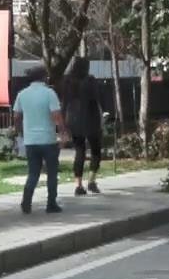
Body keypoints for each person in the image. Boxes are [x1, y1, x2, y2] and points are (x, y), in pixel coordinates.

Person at [11, 65, 68, 215]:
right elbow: (56, 116)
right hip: (48, 139)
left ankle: (26, 201)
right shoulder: (49, 93)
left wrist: (20, 132)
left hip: (30, 140)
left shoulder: (22, 94)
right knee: (52, 173)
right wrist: (63, 132)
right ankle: (51, 203)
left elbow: (16, 116)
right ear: (44, 77)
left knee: (33, 173)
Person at [61, 57, 106, 195]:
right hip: (91, 118)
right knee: (96, 150)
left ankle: (78, 185)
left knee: (79, 151)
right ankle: (91, 181)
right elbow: (97, 100)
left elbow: (64, 103)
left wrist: (64, 123)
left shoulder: (67, 81)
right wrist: (102, 118)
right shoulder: (90, 80)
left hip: (74, 119)